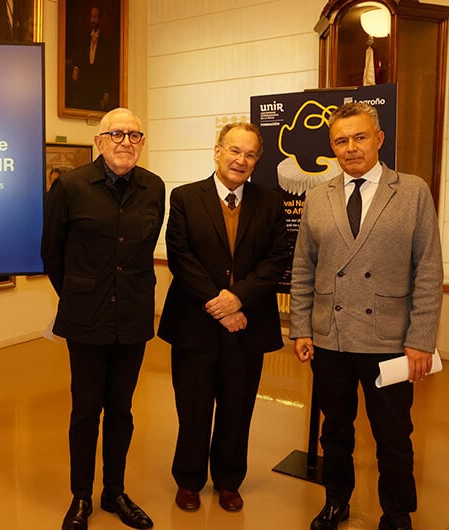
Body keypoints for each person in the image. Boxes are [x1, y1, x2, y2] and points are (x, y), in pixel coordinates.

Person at [289, 102, 443, 530]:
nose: (351, 148)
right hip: (330, 338)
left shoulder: (411, 191)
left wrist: (421, 339)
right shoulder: (318, 197)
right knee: (334, 432)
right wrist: (301, 327)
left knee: (393, 437)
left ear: (378, 139)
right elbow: (304, 267)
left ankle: (397, 514)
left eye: (359, 137)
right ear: (331, 147)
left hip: (390, 340)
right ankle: (336, 501)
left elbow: (429, 269)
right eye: (341, 141)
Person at [157, 122, 290, 513]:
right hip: (195, 325)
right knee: (193, 409)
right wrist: (218, 303)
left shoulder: (270, 202)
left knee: (237, 408)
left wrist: (237, 299)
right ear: (217, 151)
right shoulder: (184, 197)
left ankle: (229, 481)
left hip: (247, 326)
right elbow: (180, 256)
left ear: (256, 161)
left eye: (250, 155)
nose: (241, 160)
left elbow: (276, 259)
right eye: (234, 151)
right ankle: (189, 480)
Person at [42, 108, 164, 530]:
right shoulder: (70, 186)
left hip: (132, 316)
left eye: (134, 135)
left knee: (122, 410)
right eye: (116, 134)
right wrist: (78, 295)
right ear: (99, 141)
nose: (125, 141)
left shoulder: (154, 187)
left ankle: (115, 491)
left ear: (142, 142)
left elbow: (143, 248)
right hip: (86, 318)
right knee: (85, 411)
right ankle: (80, 496)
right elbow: (51, 252)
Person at [64, 4, 118, 112]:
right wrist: (76, 69)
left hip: (98, 87)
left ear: (100, 19)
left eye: (96, 17)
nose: (93, 20)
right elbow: (79, 58)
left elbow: (108, 70)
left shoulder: (105, 43)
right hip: (85, 85)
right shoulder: (84, 40)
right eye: (92, 17)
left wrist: (106, 93)